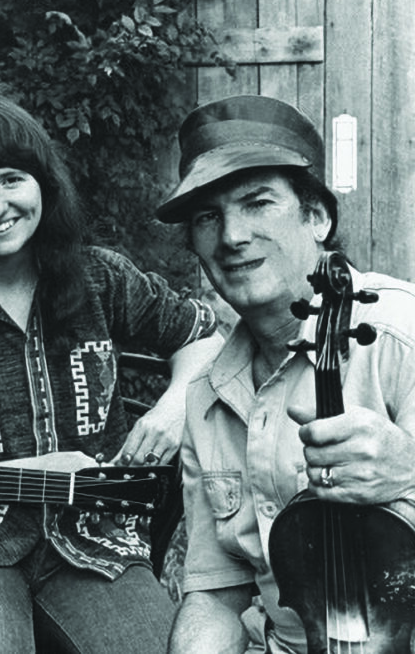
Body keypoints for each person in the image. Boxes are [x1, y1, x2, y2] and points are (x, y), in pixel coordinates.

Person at [0, 92, 223, 654]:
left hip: (94, 541)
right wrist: (33, 473)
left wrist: (174, 405)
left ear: (42, 184)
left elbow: (202, 336)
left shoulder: (99, 280)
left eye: (11, 179)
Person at [160, 95, 415, 652]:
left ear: (317, 216)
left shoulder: (402, 335)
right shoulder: (208, 395)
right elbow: (217, 595)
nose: (231, 236)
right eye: (208, 216)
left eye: (257, 203)